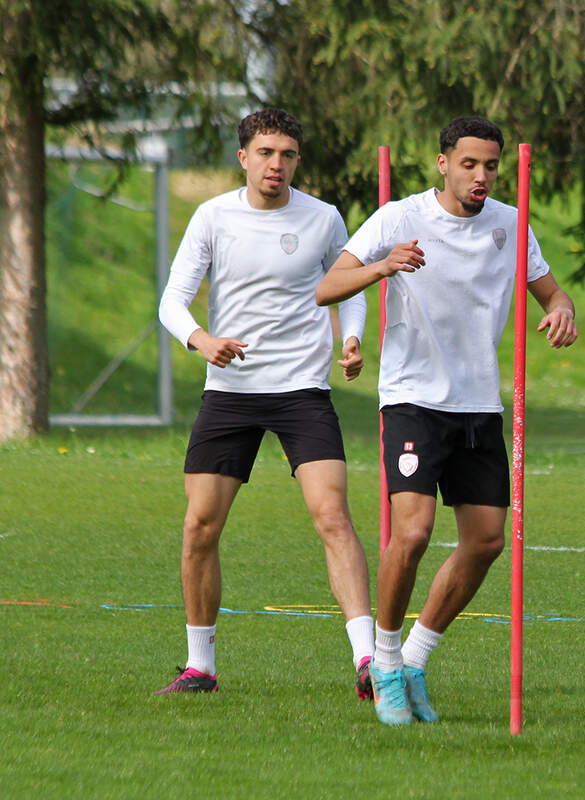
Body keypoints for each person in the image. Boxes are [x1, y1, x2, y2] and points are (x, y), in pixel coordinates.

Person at [315, 116, 577, 726]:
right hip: (412, 398)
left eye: (490, 165)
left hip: (480, 404)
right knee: (411, 534)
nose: (481, 176)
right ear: (442, 163)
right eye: (469, 164)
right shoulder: (399, 218)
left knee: (486, 541)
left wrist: (562, 310)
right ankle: (382, 664)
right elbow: (328, 285)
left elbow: (552, 293)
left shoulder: (512, 224)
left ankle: (413, 659)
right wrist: (382, 268)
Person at [156, 108, 375, 698]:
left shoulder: (324, 217)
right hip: (231, 393)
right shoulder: (212, 216)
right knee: (200, 525)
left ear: (297, 160)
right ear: (244, 157)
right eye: (266, 153)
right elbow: (172, 301)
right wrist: (203, 341)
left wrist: (349, 338)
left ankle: (367, 661)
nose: (277, 164)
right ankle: (200, 667)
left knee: (333, 516)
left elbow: (348, 284)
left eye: (288, 154)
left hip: (302, 390)